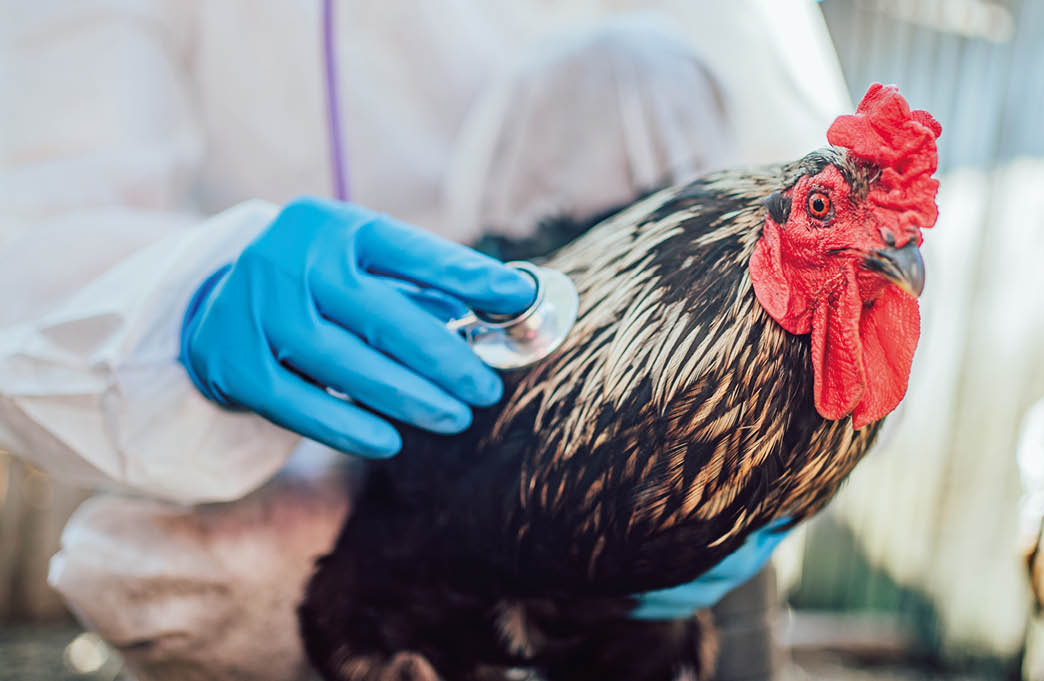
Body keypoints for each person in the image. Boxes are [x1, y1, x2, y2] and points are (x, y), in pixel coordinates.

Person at [0, 1, 851, 679]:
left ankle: (712, 603)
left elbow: (810, 171)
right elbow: (32, 218)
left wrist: (751, 463)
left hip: (613, 432)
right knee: (167, 576)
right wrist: (186, 306)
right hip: (296, 425)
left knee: (631, 69)